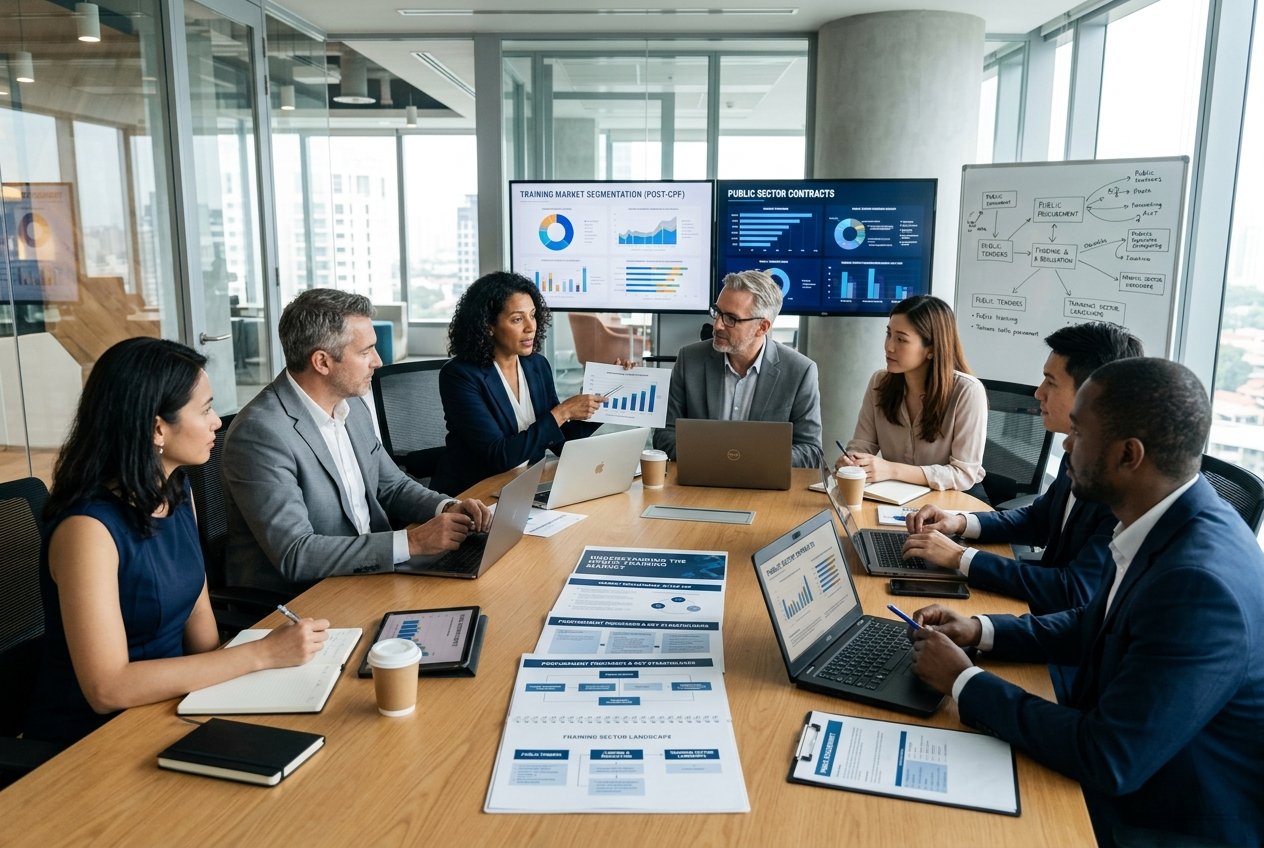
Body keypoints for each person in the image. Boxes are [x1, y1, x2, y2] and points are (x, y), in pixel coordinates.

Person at [909, 358, 1264, 848]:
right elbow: (1093, 627)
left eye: (1078, 431)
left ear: (1128, 455)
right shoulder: (1163, 520)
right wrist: (979, 631)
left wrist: (964, 680)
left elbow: (1109, 756)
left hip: (1159, 820)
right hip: (1126, 770)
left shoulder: (1198, 586)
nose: (1067, 444)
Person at [24, 338, 328, 747]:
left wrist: (248, 689)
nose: (217, 421)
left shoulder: (177, 493)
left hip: (172, 709)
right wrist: (261, 656)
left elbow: (202, 635)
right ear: (157, 428)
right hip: (91, 742)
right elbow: (107, 689)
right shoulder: (87, 530)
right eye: (204, 410)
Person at [223, 289, 491, 596]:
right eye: (366, 352)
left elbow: (392, 486)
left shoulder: (351, 406)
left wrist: (448, 508)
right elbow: (296, 553)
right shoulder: (261, 434)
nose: (378, 361)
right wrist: (413, 542)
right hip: (308, 598)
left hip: (374, 573)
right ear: (322, 362)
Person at [902, 322, 1143, 614]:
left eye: (1050, 383)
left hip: (1058, 628)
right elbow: (1038, 520)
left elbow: (1073, 590)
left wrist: (961, 557)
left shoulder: (1124, 491)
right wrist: (959, 522)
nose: (1038, 394)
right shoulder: (1078, 450)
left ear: (1092, 393)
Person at [431, 271, 624, 496]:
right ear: (488, 326)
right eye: (517, 319)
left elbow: (560, 442)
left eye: (532, 315)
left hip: (526, 485)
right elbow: (499, 456)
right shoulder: (459, 376)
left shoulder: (536, 365)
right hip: (474, 494)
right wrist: (562, 412)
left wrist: (598, 399)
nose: (530, 327)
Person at [653, 269, 823, 468]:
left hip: (763, 489)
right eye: (717, 312)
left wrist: (748, 459)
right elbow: (664, 435)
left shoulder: (800, 371)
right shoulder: (690, 360)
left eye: (731, 319)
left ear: (762, 327)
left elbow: (811, 451)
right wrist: (714, 457)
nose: (717, 325)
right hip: (700, 482)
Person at [836, 294, 987, 496]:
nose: (889, 346)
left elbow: (963, 474)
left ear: (931, 349)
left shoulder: (967, 391)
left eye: (901, 339)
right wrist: (853, 460)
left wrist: (891, 470)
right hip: (896, 496)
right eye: (889, 334)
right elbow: (862, 445)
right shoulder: (879, 383)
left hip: (954, 501)